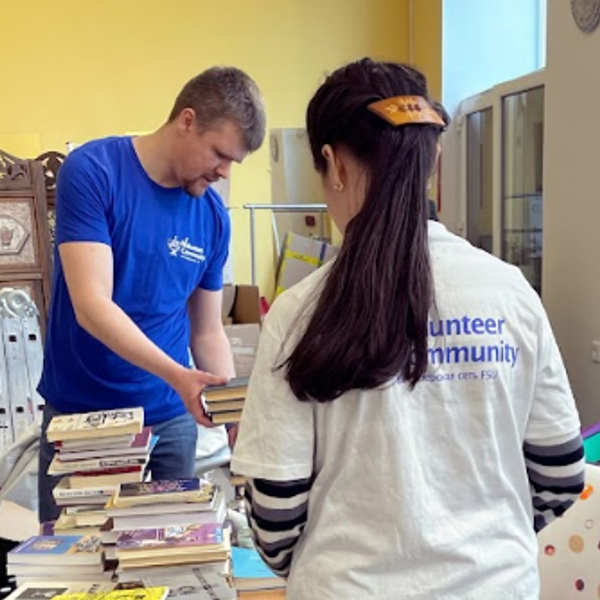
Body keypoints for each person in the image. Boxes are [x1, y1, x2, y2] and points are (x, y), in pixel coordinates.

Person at [231, 58, 585, 600]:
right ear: (434, 159)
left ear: (333, 163)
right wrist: (482, 545)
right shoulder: (511, 292)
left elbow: (276, 520)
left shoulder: (299, 312)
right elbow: (560, 474)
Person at [37, 66, 266, 523]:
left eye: (233, 163)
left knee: (168, 557)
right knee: (73, 555)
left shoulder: (213, 217)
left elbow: (207, 332)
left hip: (167, 423)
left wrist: (233, 411)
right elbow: (92, 306)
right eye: (220, 154)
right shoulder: (94, 171)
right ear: (187, 121)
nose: (223, 171)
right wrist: (179, 375)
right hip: (82, 420)